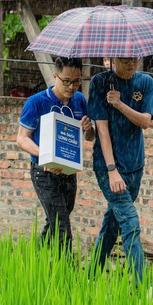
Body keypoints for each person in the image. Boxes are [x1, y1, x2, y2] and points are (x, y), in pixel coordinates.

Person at [88, 56, 153, 282]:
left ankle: (90, 276)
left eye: (134, 58)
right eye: (125, 59)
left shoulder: (145, 83)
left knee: (112, 226)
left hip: (135, 164)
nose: (131, 63)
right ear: (112, 58)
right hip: (107, 166)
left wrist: (119, 104)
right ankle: (142, 287)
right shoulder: (99, 83)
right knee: (130, 223)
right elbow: (102, 131)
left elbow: (145, 121)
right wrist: (111, 169)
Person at [16, 56, 95, 252]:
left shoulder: (79, 100)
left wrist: (88, 128)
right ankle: (68, 275)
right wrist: (46, 157)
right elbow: (22, 139)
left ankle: (35, 260)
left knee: (56, 221)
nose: (72, 86)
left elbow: (89, 137)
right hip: (44, 173)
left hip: (69, 173)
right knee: (62, 228)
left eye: (77, 81)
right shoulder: (37, 102)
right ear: (54, 76)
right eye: (66, 81)